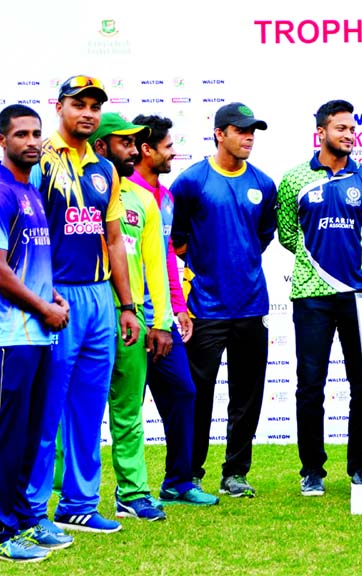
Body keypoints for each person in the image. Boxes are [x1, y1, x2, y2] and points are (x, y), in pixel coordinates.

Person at [25, 76, 139, 535]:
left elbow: (114, 238)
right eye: (79, 104)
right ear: (59, 107)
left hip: (99, 297)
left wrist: (127, 305)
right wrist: (38, 291)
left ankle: (79, 503)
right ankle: (32, 509)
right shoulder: (39, 160)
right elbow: (24, 229)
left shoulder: (105, 169)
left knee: (90, 408)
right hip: (56, 295)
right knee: (46, 408)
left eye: (95, 106)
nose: (88, 113)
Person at [0, 105, 71, 562]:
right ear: (2, 141)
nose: (32, 142)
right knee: (4, 434)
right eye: (21, 135)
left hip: (36, 331)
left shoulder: (28, 189)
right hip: (9, 334)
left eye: (36, 134)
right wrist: (43, 309)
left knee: (30, 434)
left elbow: (32, 264)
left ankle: (24, 520)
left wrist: (55, 300)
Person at [171, 103, 277, 497]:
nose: (249, 137)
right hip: (205, 308)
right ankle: (191, 471)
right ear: (220, 134)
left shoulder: (263, 184)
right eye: (241, 130)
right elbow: (176, 239)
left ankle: (235, 473)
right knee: (197, 395)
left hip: (251, 304)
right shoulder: (191, 182)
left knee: (247, 397)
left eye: (254, 131)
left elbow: (263, 236)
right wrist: (202, 271)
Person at [277, 99, 362, 496]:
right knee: (310, 385)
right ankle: (312, 470)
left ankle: (360, 466)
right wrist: (314, 261)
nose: (349, 135)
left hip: (359, 293)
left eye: (353, 130)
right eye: (341, 128)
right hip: (311, 294)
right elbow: (287, 233)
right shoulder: (294, 179)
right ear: (321, 132)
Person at [129, 114, 219, 507]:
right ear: (146, 150)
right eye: (167, 147)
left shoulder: (164, 197)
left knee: (184, 393)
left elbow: (166, 255)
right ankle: (121, 491)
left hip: (163, 320)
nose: (173, 153)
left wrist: (178, 307)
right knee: (125, 409)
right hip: (129, 322)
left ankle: (178, 482)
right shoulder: (122, 192)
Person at [89, 113, 174, 521]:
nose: (134, 151)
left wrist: (162, 321)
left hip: (132, 315)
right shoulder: (78, 193)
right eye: (125, 143)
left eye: (137, 143)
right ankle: (62, 494)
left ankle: (134, 492)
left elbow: (157, 264)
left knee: (127, 410)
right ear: (102, 145)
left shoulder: (143, 200)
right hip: (84, 307)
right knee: (73, 410)